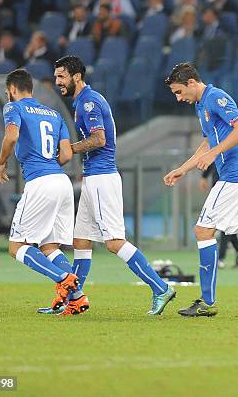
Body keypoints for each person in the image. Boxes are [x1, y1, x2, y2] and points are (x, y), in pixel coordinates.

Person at [51, 55, 175, 316]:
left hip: (102, 179)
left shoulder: (89, 103)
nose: (57, 82)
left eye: (61, 76)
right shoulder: (82, 101)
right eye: (56, 76)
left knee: (114, 242)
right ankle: (74, 299)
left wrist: (69, 149)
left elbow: (99, 139)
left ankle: (160, 287)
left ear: (76, 77)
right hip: (93, 177)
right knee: (81, 241)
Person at [164, 62, 238, 318]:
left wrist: (214, 154)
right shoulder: (200, 105)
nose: (178, 98)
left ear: (191, 83)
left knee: (202, 230)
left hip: (234, 177)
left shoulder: (216, 97)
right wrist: (183, 169)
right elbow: (208, 142)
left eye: (178, 92)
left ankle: (207, 303)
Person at [0, 69, 84, 315]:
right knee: (49, 245)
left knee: (16, 246)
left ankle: (62, 278)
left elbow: (11, 137)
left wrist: (2, 162)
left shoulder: (13, 108)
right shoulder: (54, 114)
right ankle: (76, 297)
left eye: (7, 93)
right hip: (61, 181)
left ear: (13, 90)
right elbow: (66, 154)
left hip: (41, 183)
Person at [199, 163, 238, 268]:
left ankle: (221, 258)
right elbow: (212, 158)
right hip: (218, 192)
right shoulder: (217, 151)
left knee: (224, 224)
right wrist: (204, 176)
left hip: (231, 191)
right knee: (225, 224)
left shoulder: (234, 152)